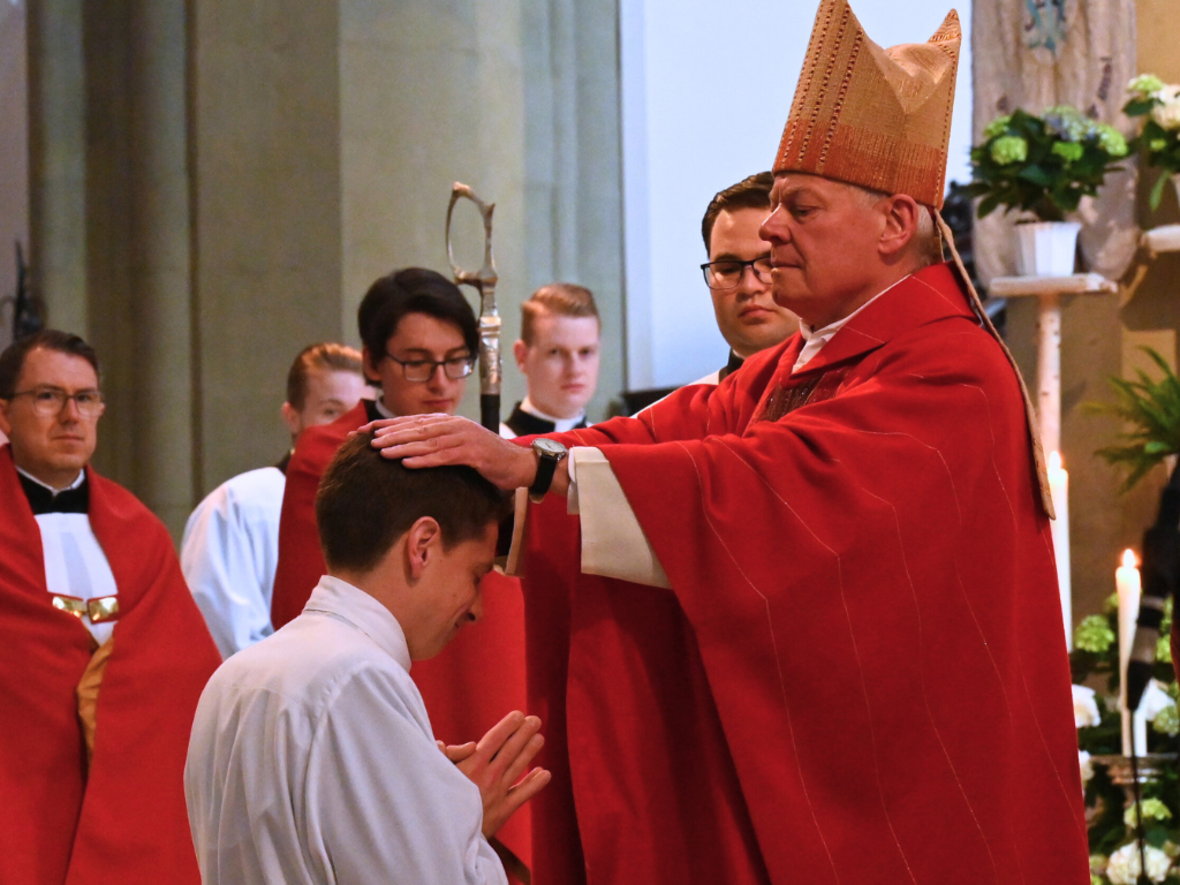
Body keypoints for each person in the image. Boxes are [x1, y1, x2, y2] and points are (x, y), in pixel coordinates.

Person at [365, 2, 1090, 882]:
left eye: (800, 206)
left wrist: (545, 467)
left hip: (913, 807)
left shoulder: (950, 372)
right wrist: (510, 476)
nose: (772, 228)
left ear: (897, 223)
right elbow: (665, 433)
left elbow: (773, 486)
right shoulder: (803, 359)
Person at [186, 432, 549, 885]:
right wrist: (459, 825)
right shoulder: (361, 679)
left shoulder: (236, 674)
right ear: (422, 546)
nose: (477, 608)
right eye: (476, 574)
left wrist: (428, 808)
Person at [270, 267, 532, 880]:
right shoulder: (331, 454)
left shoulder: (491, 451)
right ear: (373, 362)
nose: (441, 384)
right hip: (377, 697)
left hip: (482, 690)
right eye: (417, 363)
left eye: (455, 362)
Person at [0, 330, 220, 885]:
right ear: (4, 414)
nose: (71, 416)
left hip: (128, 793)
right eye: (48, 396)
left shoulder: (140, 530)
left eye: (86, 398)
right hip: (19, 791)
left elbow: (188, 670)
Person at [181, 342, 368, 658]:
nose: (347, 431)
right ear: (292, 417)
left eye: (358, 415)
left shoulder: (381, 506)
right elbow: (226, 634)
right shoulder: (239, 506)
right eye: (331, 412)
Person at [697, 172, 799, 383]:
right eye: (728, 269)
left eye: (771, 263)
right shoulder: (676, 414)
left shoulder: (868, 401)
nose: (750, 286)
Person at [501, 283, 601, 437]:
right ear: (522, 357)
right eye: (556, 352)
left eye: (585, 352)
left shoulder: (612, 449)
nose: (574, 370)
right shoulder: (494, 447)